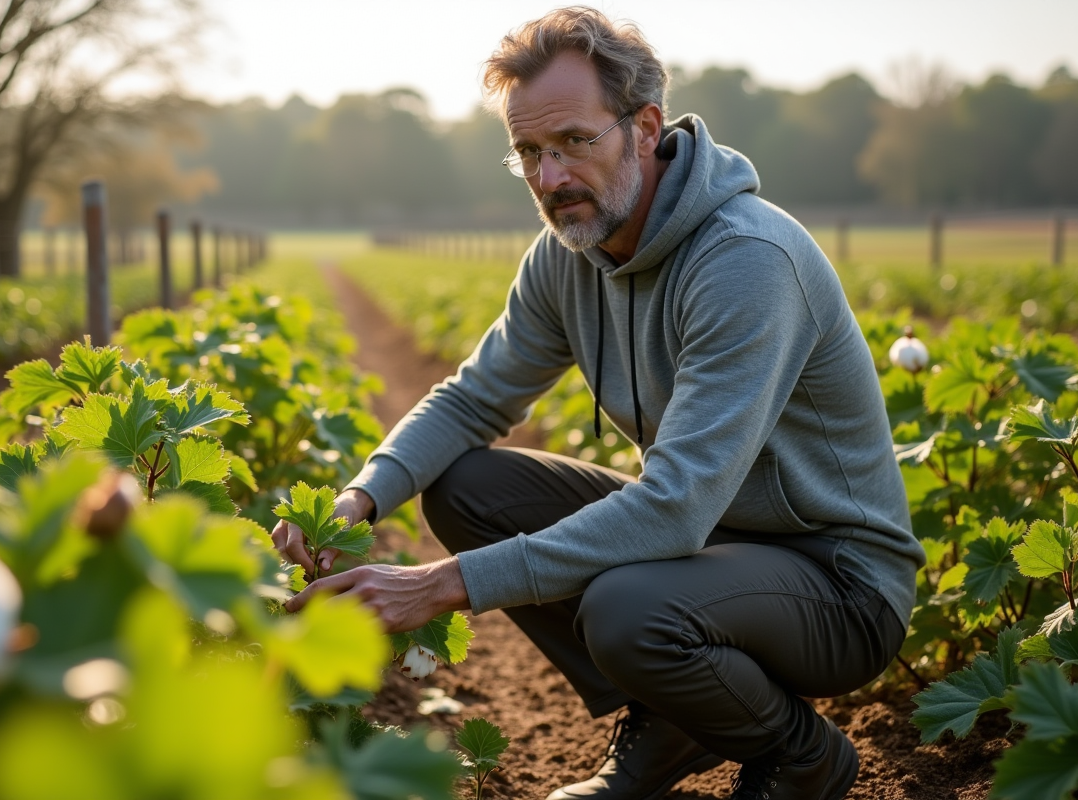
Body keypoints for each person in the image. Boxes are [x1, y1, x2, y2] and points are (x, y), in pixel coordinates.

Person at [276, 7, 924, 800]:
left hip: (838, 584)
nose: (550, 178)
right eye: (529, 153)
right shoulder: (566, 255)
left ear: (645, 128)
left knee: (627, 609)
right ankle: (673, 719)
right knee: (470, 488)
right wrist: (359, 498)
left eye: (575, 142)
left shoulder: (746, 261)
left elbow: (677, 506)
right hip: (714, 549)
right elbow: (474, 397)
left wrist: (440, 586)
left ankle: (802, 756)